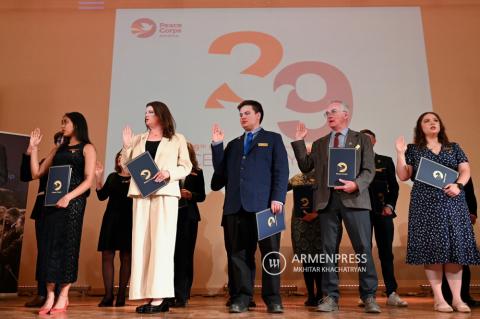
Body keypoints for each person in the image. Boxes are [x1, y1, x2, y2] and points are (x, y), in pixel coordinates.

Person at [291, 100, 380, 313]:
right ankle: (330, 296)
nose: (329, 115)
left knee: (363, 249)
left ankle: (368, 296)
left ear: (345, 115)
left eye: (333, 111)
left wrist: (355, 184)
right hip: (327, 201)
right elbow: (305, 167)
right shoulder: (321, 143)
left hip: (355, 199)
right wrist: (299, 142)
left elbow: (369, 170)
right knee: (328, 251)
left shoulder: (362, 139)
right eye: (326, 113)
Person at [395, 111, 480, 313]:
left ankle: (458, 299)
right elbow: (404, 175)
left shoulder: (454, 147)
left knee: (454, 252)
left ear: (440, 125)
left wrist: (458, 185)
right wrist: (399, 152)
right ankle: (439, 299)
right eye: (427, 121)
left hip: (453, 202)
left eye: (435, 120)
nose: (432, 123)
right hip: (425, 204)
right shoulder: (414, 149)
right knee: (433, 252)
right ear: (420, 127)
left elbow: (465, 170)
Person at [210, 100, 289, 313]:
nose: (242, 117)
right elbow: (220, 176)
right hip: (237, 208)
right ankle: (242, 298)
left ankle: (273, 299)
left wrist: (278, 198)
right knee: (239, 255)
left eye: (246, 113)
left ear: (258, 115)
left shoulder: (273, 139)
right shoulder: (234, 144)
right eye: (240, 114)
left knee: (271, 254)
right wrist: (217, 146)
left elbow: (281, 171)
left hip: (267, 207)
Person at [120, 101, 192, 314]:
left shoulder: (177, 139)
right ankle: (149, 295)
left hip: (165, 195)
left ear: (161, 115)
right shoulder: (138, 139)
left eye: (151, 112)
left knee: (161, 245)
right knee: (142, 244)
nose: (146, 115)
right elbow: (124, 166)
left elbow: (186, 166)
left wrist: (169, 173)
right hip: (142, 195)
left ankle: (160, 298)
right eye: (145, 112)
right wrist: (126, 145)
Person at [29, 112, 96, 315]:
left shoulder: (88, 148)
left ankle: (63, 294)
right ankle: (50, 295)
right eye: (61, 122)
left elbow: (88, 181)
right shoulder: (58, 148)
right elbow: (36, 173)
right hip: (51, 203)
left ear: (77, 124)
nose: (62, 125)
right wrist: (33, 148)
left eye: (65, 122)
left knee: (68, 246)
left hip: (73, 204)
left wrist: (69, 197)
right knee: (49, 247)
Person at [360, 129, 407, 307]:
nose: (365, 141)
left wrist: (389, 206)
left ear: (374, 142)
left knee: (386, 253)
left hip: (383, 213)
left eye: (368, 139)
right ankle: (366, 294)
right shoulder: (353, 162)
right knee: (364, 253)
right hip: (361, 213)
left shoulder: (385, 161)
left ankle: (391, 292)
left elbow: (394, 188)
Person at [20, 132, 63, 307]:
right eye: (58, 141)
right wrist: (31, 148)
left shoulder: (74, 163)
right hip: (44, 211)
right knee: (44, 252)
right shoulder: (46, 161)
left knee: (59, 252)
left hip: (63, 211)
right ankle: (42, 293)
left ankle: (58, 294)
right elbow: (25, 175)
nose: (61, 144)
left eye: (64, 141)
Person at [94, 151, 133, 307]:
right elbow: (101, 196)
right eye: (118, 156)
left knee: (126, 257)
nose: (120, 158)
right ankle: (108, 295)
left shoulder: (137, 178)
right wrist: (99, 177)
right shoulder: (112, 177)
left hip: (129, 220)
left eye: (124, 156)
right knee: (107, 255)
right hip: (111, 220)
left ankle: (122, 295)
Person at [170, 142, 206, 307]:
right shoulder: (169, 170)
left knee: (185, 256)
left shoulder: (197, 172)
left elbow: (202, 196)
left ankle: (182, 294)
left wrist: (191, 195)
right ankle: (168, 293)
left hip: (189, 217)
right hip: (170, 216)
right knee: (170, 256)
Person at [288, 151, 324, 307]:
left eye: (309, 154)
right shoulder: (295, 178)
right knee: (307, 262)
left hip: (319, 223)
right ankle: (311, 295)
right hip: (300, 224)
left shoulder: (324, 177)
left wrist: (316, 214)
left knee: (320, 261)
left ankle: (321, 294)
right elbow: (279, 188)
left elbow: (330, 199)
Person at [441, 178, 479, 307]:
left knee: (462, 259)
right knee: (444, 258)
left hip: (461, 216)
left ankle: (464, 296)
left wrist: (473, 212)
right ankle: (446, 297)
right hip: (441, 216)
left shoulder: (462, 170)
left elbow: (469, 191)